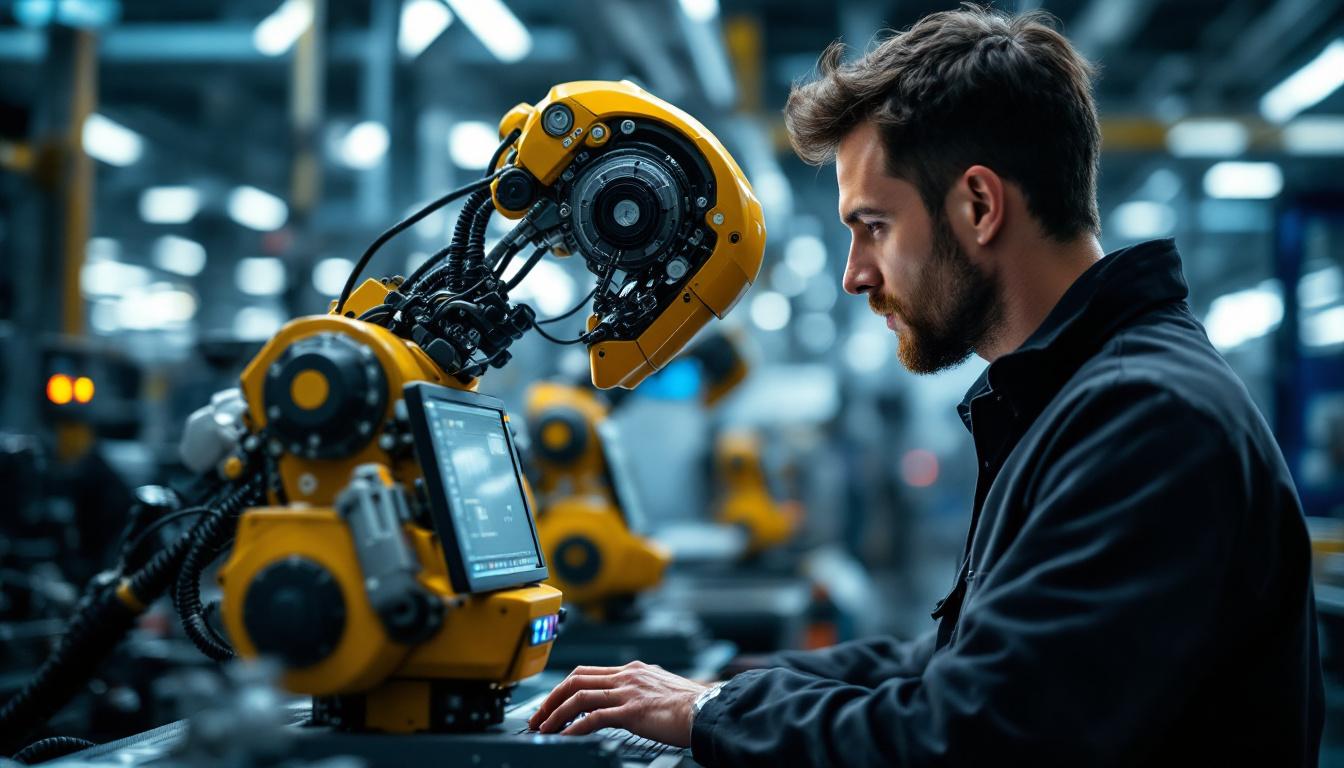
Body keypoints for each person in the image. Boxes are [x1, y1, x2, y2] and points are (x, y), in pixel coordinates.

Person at [529, 7, 1324, 765]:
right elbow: (955, 660)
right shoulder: (1074, 398)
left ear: (978, 205)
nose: (854, 275)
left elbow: (977, 737)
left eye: (873, 226)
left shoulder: (1144, 417)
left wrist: (711, 712)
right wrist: (719, 683)